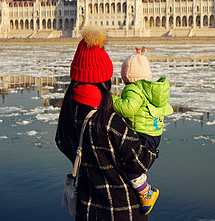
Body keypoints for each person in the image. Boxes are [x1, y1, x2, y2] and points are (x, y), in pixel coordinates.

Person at [56, 26, 158, 220]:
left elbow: (62, 144)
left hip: (86, 210)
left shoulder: (69, 114)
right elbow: (139, 162)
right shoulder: (110, 121)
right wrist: (153, 135)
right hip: (122, 212)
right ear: (104, 79)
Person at [112, 46, 173, 215]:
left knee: (132, 165)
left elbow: (127, 109)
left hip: (143, 133)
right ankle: (142, 184)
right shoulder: (148, 90)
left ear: (127, 76)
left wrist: (111, 100)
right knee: (134, 162)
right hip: (153, 132)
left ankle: (147, 193)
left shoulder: (134, 89)